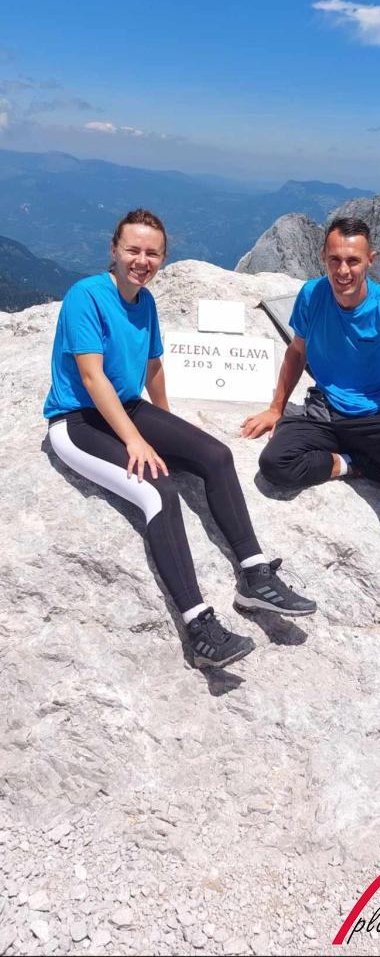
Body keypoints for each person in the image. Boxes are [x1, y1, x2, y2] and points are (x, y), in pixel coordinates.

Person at [44, 208, 316, 671]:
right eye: (133, 250)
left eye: (152, 253)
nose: (142, 261)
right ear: (114, 250)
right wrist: (136, 441)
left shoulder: (145, 302)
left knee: (215, 455)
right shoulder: (85, 296)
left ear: (163, 257)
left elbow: (153, 366)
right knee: (159, 492)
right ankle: (199, 629)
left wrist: (169, 428)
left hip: (127, 407)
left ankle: (255, 576)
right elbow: (92, 378)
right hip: (77, 422)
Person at [242, 216, 380, 661]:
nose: (343, 270)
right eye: (334, 259)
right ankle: (355, 464)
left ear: (370, 260)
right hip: (325, 410)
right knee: (275, 465)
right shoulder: (312, 295)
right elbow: (297, 352)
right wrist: (276, 408)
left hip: (378, 415)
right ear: (323, 257)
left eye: (353, 260)